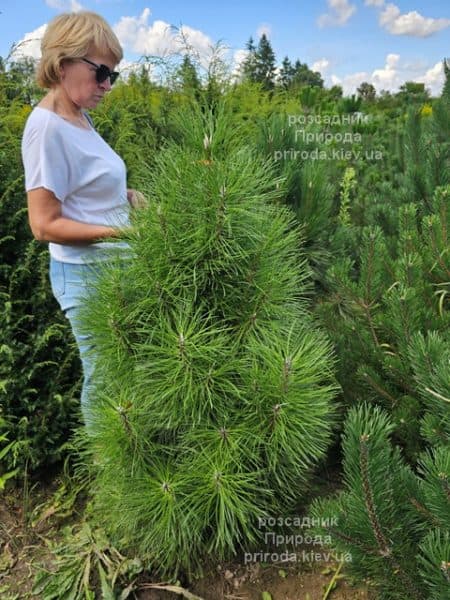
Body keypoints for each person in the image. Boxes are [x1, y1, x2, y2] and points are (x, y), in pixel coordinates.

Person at [21, 11, 143, 432]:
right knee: (107, 381)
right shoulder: (46, 128)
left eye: (114, 75)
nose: (108, 85)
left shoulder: (78, 118)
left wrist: (125, 197)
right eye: (101, 72)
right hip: (87, 276)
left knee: (128, 374)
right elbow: (44, 225)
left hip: (111, 268)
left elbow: (81, 189)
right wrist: (122, 230)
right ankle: (112, 478)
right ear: (62, 62)